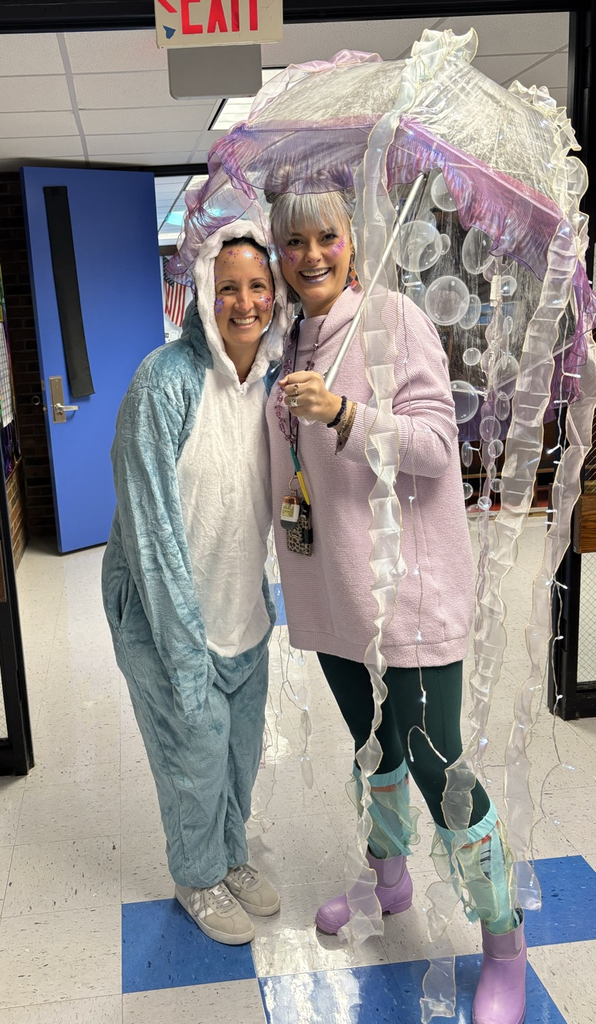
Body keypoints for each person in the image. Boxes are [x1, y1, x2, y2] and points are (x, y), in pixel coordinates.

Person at [265, 188, 526, 1024]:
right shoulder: (294, 334)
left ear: (354, 239)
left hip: (402, 596)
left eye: (327, 237)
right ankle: (389, 877)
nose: (311, 255)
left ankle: (503, 941)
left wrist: (343, 411)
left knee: (435, 763)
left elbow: (435, 447)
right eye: (294, 240)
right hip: (332, 592)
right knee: (371, 748)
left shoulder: (393, 317)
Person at [102, 223, 289, 946]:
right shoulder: (165, 382)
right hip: (162, 617)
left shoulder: (273, 385)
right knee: (193, 756)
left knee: (238, 752)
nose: (244, 303)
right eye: (227, 288)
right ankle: (196, 875)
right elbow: (149, 531)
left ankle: (231, 854)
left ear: (274, 295)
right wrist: (184, 659)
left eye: (257, 287)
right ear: (202, 297)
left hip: (242, 605)